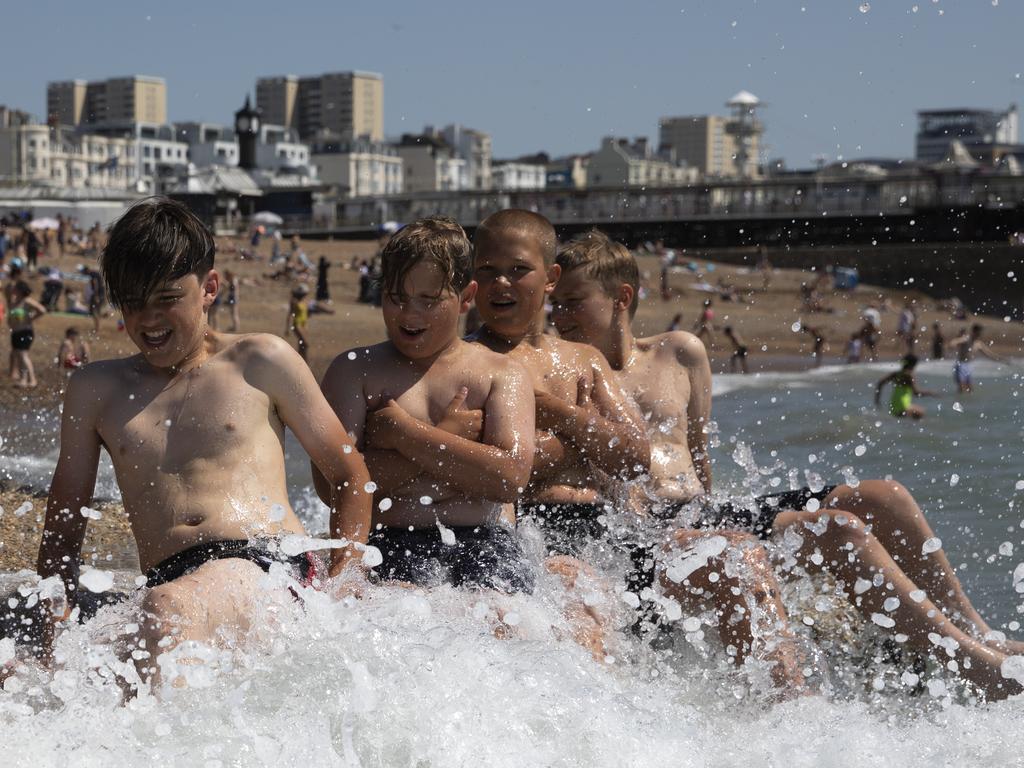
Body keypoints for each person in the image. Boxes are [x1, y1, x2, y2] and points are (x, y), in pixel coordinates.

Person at [550, 228, 1024, 700]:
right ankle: (971, 666)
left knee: (885, 495)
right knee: (840, 529)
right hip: (652, 527)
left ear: (620, 298)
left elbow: (700, 456)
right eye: (557, 304)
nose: (560, 315)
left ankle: (977, 631)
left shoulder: (680, 351)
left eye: (573, 301)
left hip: (704, 510)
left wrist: (719, 514)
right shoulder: (571, 374)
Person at [34, 197, 373, 688]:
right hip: (171, 578)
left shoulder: (260, 360)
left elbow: (349, 475)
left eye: (167, 298)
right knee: (54, 674)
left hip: (270, 564)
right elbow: (66, 515)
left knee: (166, 612)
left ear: (209, 287)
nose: (148, 319)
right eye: (132, 302)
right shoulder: (95, 388)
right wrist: (53, 621)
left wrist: (347, 580)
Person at [314, 216, 536, 594]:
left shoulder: (502, 373)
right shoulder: (356, 371)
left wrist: (405, 434)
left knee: (500, 618)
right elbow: (332, 484)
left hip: (484, 543)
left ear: (467, 298)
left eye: (429, 301)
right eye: (397, 298)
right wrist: (451, 442)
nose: (410, 314)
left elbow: (508, 479)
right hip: (389, 542)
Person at [470, 210, 651, 656]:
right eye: (488, 272)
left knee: (736, 557)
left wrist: (553, 411)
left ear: (550, 278)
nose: (502, 284)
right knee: (577, 588)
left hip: (606, 529)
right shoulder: (469, 362)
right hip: (525, 531)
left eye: (518, 271)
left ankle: (785, 710)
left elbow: (634, 458)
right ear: (471, 281)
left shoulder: (583, 357)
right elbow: (505, 469)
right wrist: (584, 434)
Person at [949, 323, 1011, 394]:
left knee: (970, 389)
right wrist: (952, 345)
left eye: (980, 332)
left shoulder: (978, 344)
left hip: (968, 366)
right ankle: (958, 402)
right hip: (960, 365)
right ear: (974, 331)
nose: (980, 334)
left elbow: (989, 354)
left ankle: (967, 403)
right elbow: (954, 342)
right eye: (979, 332)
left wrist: (1002, 360)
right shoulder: (966, 339)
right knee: (962, 388)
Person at [8, 280, 47, 388]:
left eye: (15, 287)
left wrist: (31, 318)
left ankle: (33, 379)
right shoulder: (14, 302)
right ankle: (23, 379)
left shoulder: (27, 301)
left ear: (20, 290)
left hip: (25, 332)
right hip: (15, 333)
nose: (13, 289)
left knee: (23, 355)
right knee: (19, 356)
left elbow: (42, 310)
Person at [875, 354, 934, 419]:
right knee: (922, 413)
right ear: (913, 364)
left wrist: (877, 400)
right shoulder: (909, 375)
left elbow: (880, 383)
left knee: (912, 418)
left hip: (893, 405)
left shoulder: (896, 374)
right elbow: (916, 393)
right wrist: (930, 393)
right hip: (903, 406)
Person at [286, 284, 310, 361]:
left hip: (304, 325)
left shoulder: (305, 301)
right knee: (305, 344)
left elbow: (306, 314)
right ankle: (305, 361)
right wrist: (287, 328)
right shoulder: (294, 302)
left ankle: (299, 360)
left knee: (301, 344)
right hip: (297, 324)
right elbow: (289, 315)